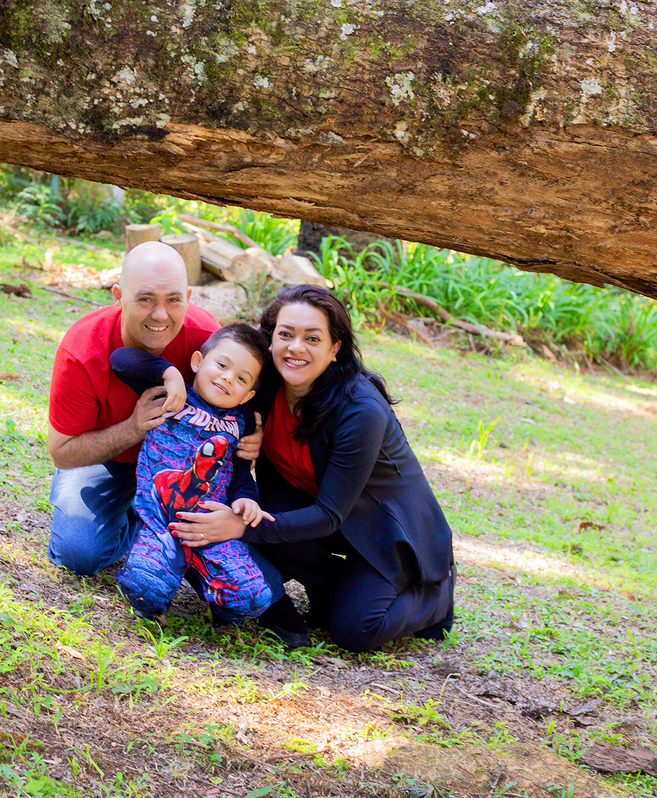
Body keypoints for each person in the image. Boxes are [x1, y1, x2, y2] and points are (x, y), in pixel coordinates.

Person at [169, 285, 456, 653]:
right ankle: (335, 590)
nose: (296, 348)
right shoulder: (264, 384)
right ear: (270, 339)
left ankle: (436, 595)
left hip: (385, 530)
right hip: (314, 509)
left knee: (356, 631)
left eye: (312, 338)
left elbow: (329, 515)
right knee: (274, 517)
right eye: (285, 335)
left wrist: (240, 525)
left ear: (335, 348)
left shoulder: (360, 410)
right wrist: (172, 378)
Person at [45, 241, 261, 575]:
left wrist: (255, 430)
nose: (160, 315)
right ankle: (138, 525)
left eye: (173, 300)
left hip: (185, 467)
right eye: (145, 298)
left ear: (189, 297)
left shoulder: (209, 339)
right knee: (78, 552)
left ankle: (160, 531)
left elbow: (250, 389)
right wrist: (133, 427)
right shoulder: (82, 350)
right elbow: (62, 452)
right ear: (118, 296)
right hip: (109, 461)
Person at [109, 324, 278, 623]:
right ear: (198, 361)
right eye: (222, 365)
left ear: (247, 394)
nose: (228, 377)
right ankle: (157, 592)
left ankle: (208, 586)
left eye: (241, 378)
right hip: (159, 518)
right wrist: (169, 373)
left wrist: (246, 500)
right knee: (145, 587)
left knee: (254, 598)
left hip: (210, 526)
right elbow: (121, 360)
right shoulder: (174, 396)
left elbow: (240, 476)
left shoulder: (242, 423)